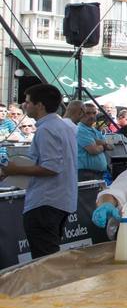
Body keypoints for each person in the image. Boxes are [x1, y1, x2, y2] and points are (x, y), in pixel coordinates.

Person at [0, 84, 77, 259]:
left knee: (45, 261)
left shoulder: (47, 129)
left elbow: (51, 168)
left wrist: (15, 169)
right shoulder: (63, 126)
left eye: (27, 102)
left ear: (40, 105)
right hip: (58, 200)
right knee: (49, 256)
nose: (24, 105)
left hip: (45, 202)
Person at [76, 101, 111, 181]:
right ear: (81, 114)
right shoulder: (80, 130)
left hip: (96, 174)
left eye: (94, 113)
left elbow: (110, 146)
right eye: (87, 113)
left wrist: (98, 143)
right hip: (86, 174)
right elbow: (93, 150)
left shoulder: (95, 130)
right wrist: (103, 145)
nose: (91, 116)